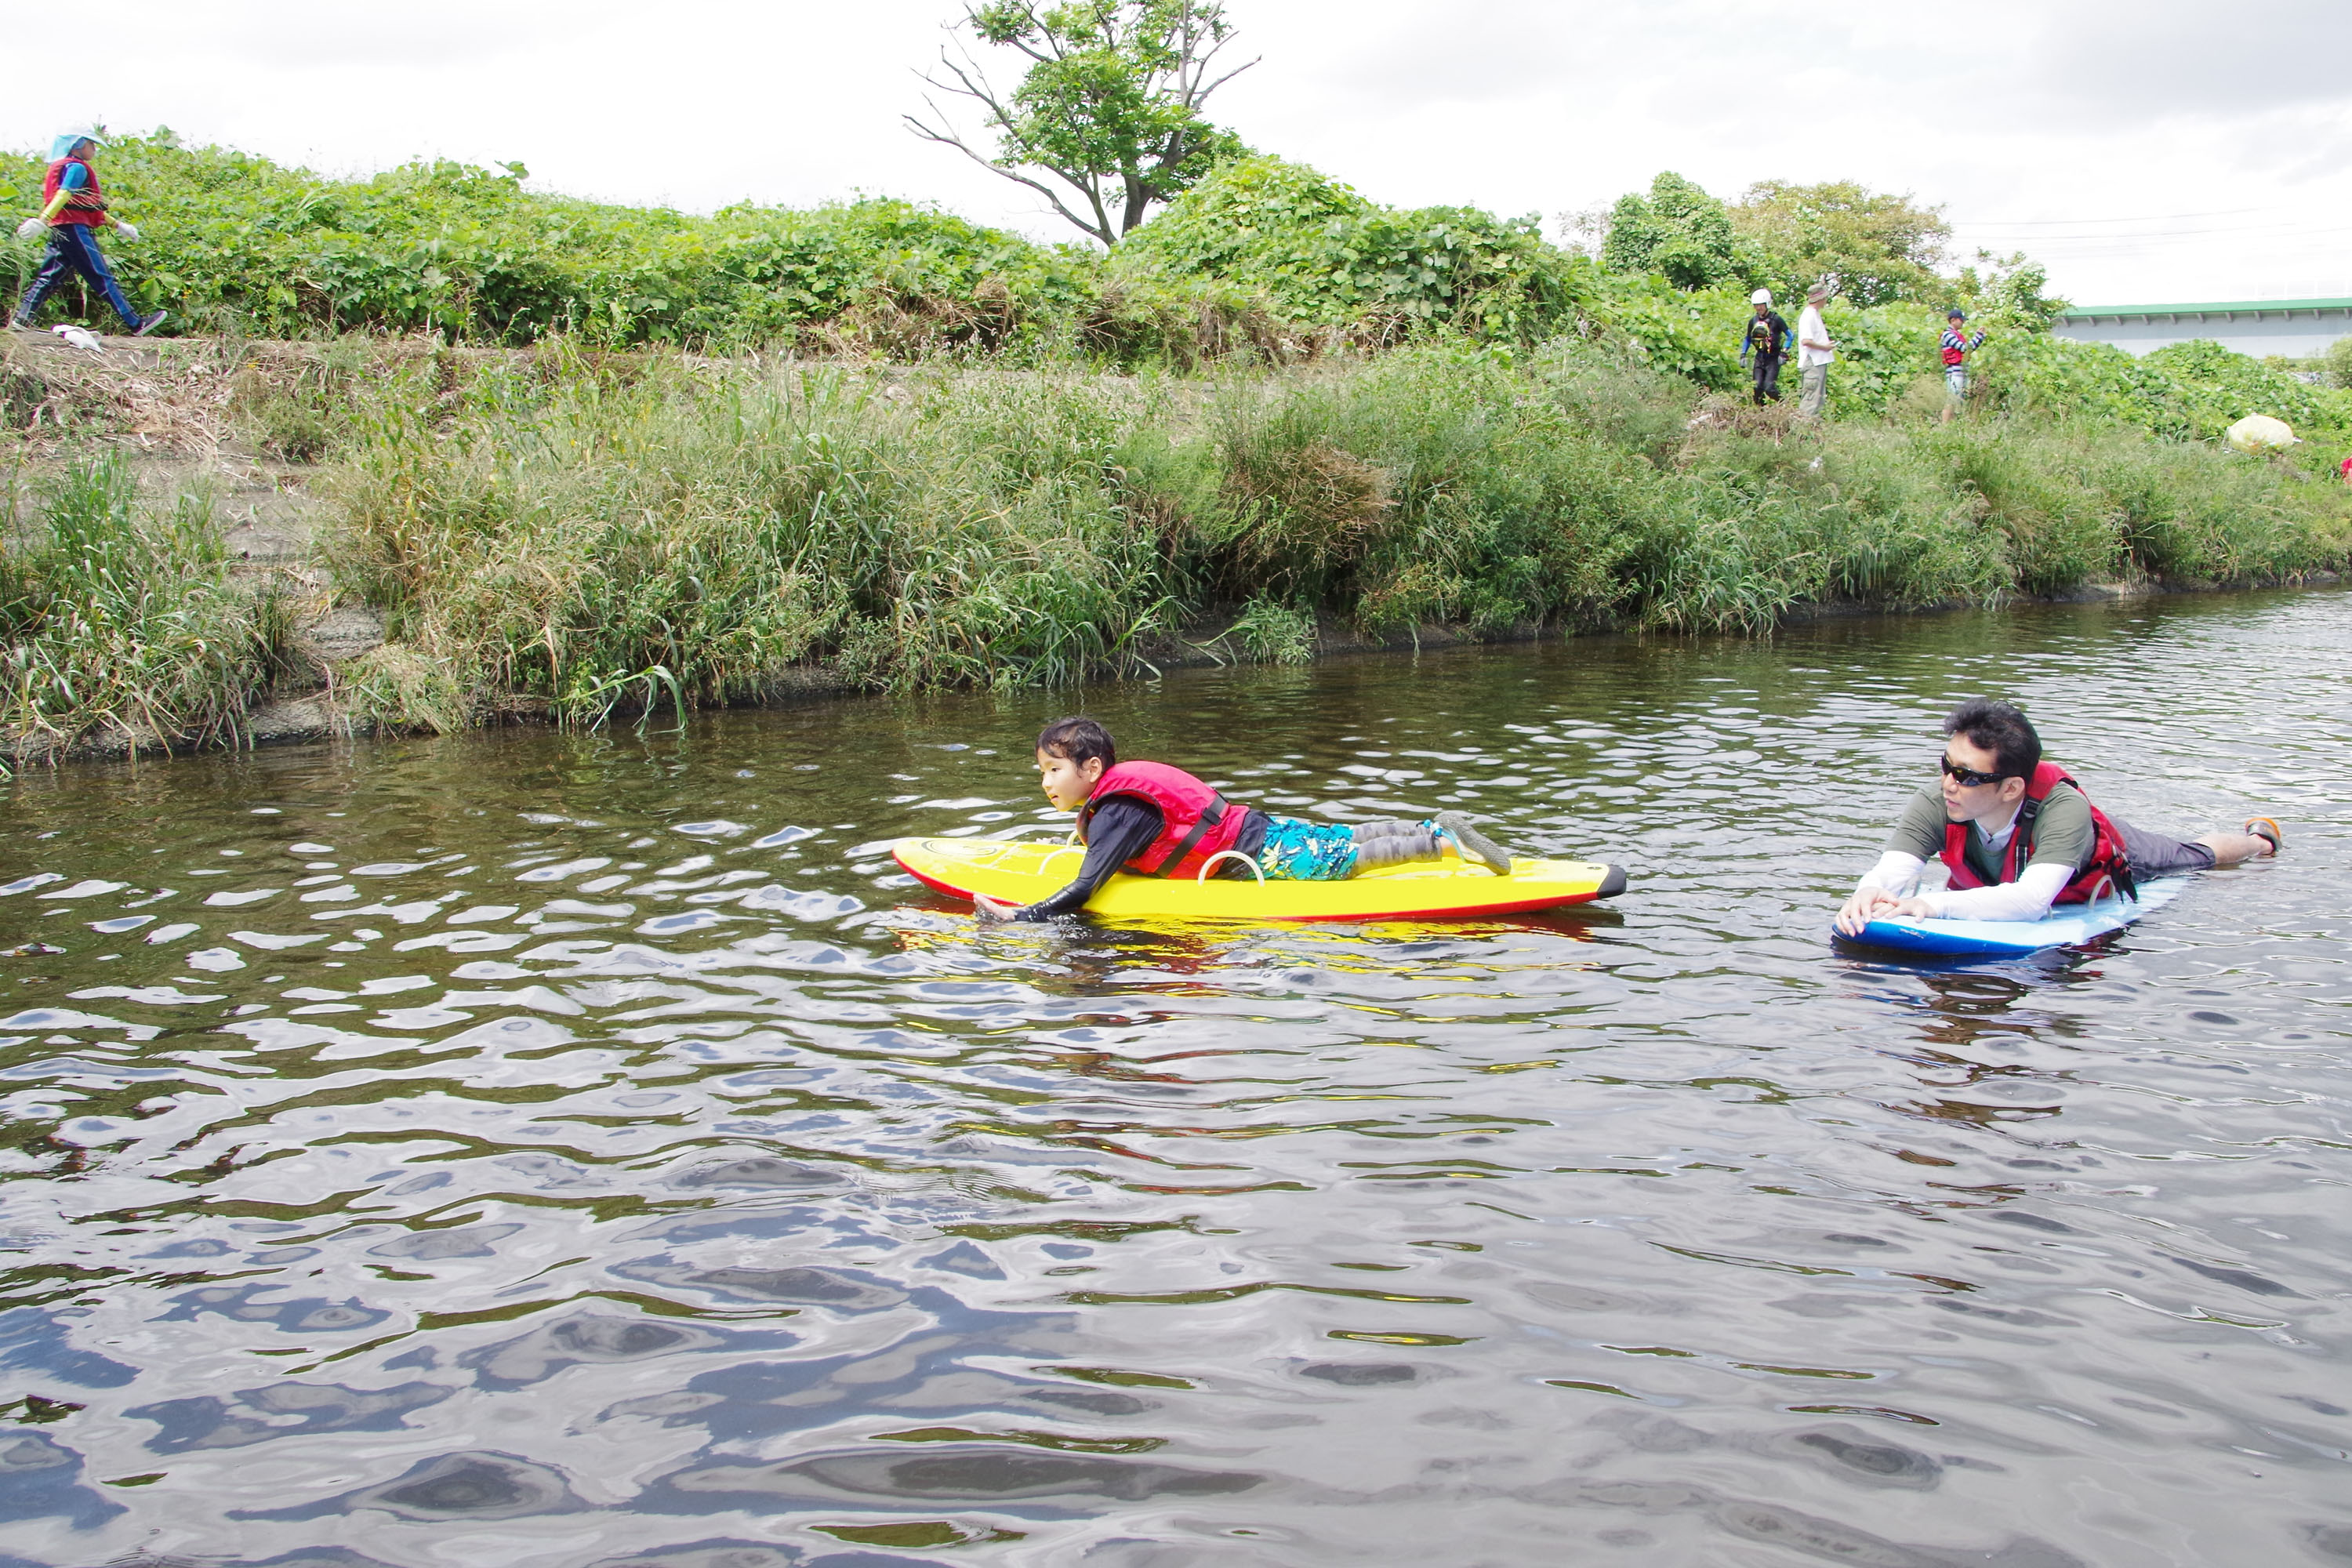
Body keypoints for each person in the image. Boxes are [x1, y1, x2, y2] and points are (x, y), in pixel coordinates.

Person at [972, 717, 1522, 921]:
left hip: (1253, 853)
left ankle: (1444, 843)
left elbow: (1087, 887)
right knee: (1340, 834)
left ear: (1093, 768)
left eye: (1052, 769)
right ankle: (1427, 823)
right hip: (1255, 827)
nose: (1045, 782)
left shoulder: (1117, 809)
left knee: (1344, 860)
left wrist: (1022, 918)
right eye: (1041, 771)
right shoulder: (1121, 791)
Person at [1834, 699, 2281, 936]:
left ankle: (2260, 840)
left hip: (2104, 853)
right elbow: (1893, 870)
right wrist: (1868, 894)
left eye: (1967, 776)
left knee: (2197, 856)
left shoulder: (2064, 809)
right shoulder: (1940, 798)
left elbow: (2031, 902)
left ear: (2010, 787)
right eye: (1947, 765)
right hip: (2030, 865)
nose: (1949, 782)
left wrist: (1933, 905)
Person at [9, 129, 168, 337]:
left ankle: (22, 318)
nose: (94, 149)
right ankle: (135, 323)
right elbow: (64, 194)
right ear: (78, 145)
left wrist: (118, 225)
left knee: (49, 277)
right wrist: (42, 221)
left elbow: (86, 207)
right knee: (101, 276)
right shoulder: (76, 168)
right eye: (91, 145)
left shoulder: (66, 166)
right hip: (74, 230)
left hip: (62, 228)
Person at [1739, 289, 1791, 406]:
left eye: (1761, 305)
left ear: (1767, 304)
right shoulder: (1753, 320)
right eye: (1756, 306)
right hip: (1760, 357)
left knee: (1769, 388)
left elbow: (1790, 335)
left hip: (1773, 358)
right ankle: (1760, 414)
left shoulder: (1776, 319)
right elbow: (1748, 338)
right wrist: (1743, 354)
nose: (1759, 308)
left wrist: (1784, 352)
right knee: (1756, 387)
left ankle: (1783, 406)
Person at [1795, 280, 1835, 419]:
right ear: (1821, 298)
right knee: (1810, 400)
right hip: (1812, 362)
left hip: (1818, 362)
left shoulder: (1815, 314)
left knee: (1818, 399)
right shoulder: (1809, 315)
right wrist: (1825, 347)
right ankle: (1802, 432)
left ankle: (1812, 433)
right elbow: (1806, 341)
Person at [1939, 307, 1985, 419]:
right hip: (1954, 372)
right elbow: (1964, 348)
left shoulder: (1955, 334)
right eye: (1961, 320)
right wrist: (1978, 336)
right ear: (1953, 320)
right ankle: (1944, 426)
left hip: (1960, 372)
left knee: (1957, 400)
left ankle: (1950, 425)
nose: (1963, 322)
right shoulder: (1948, 335)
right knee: (1952, 399)